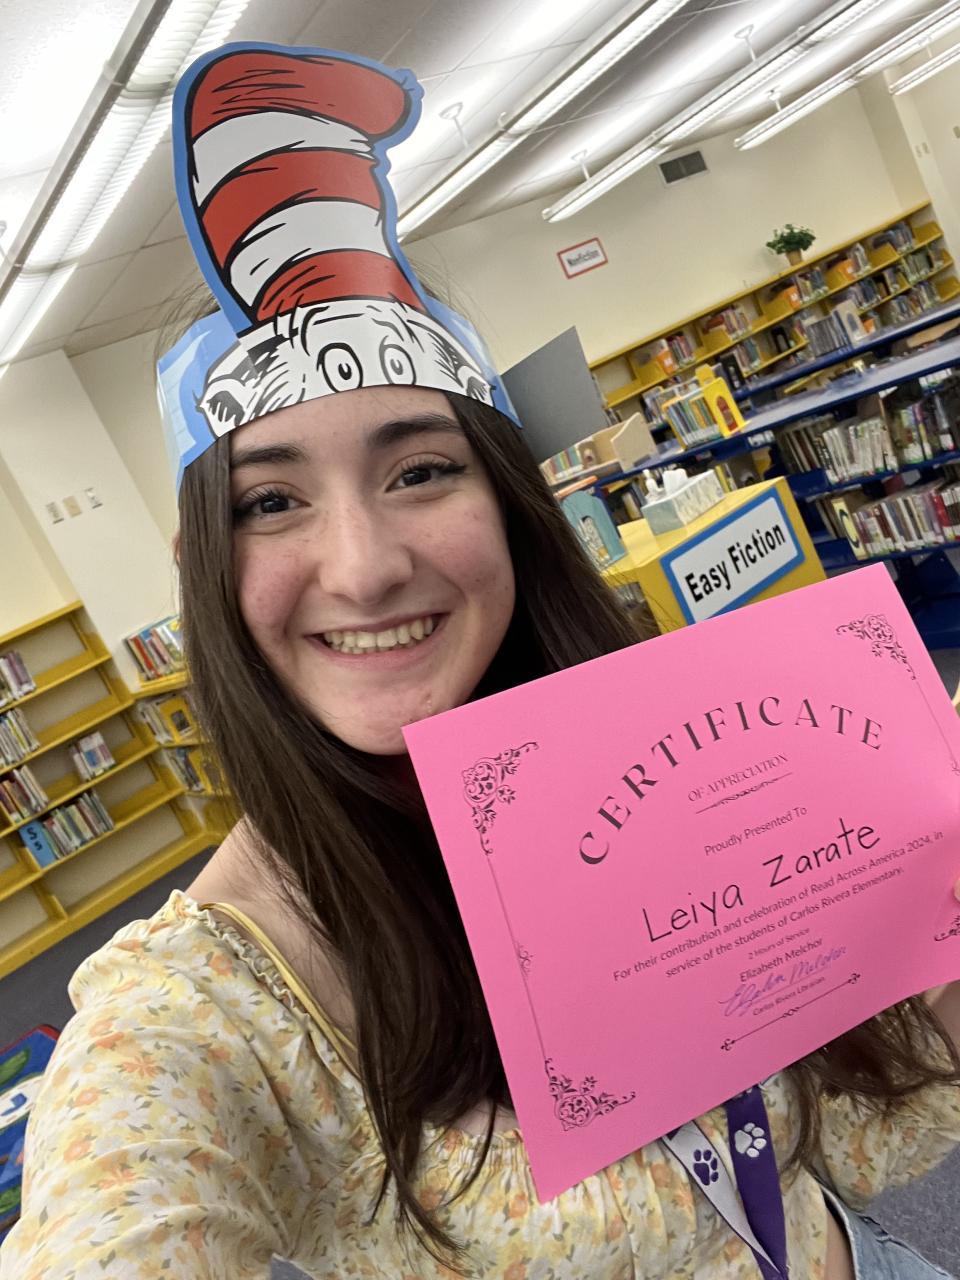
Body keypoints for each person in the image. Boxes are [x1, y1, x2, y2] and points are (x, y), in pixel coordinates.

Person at [3, 41, 960, 1280]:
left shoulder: (690, 765)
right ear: (206, 570)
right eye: (270, 502)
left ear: (509, 505)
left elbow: (852, 1136)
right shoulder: (204, 1009)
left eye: (420, 470)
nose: (363, 567)